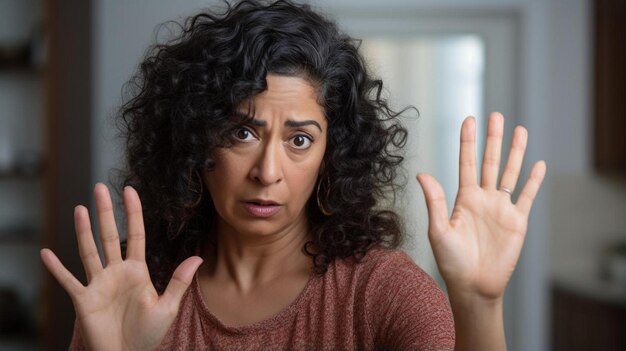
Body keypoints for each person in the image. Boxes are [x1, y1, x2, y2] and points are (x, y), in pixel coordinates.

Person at [40, 0, 547, 350]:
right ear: (194, 142)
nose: (267, 172)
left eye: (299, 140)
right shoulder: (137, 295)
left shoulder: (383, 292)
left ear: (333, 155)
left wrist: (480, 303)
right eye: (241, 133)